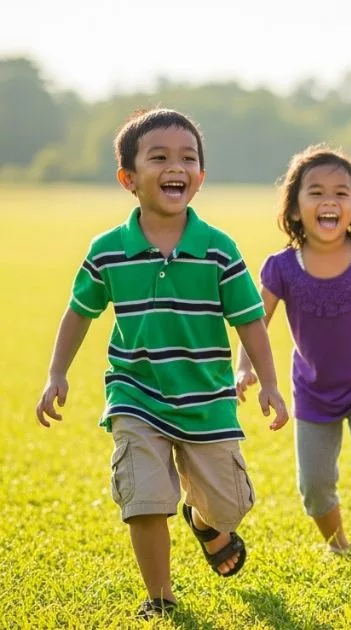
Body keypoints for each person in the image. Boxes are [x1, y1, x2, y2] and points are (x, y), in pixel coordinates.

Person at [34, 108, 288, 619]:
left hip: (206, 398)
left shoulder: (219, 250)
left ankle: (207, 521)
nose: (176, 166)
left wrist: (269, 383)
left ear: (200, 177)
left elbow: (250, 321)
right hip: (135, 393)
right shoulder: (108, 251)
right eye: (160, 157)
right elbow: (79, 312)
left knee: (230, 504)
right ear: (129, 178)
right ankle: (160, 597)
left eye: (188, 158)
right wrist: (56, 372)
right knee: (145, 499)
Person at [236, 145, 351, 556]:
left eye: (342, 192)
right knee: (314, 487)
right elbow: (255, 320)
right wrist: (244, 367)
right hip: (313, 389)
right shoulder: (281, 268)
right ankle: (339, 545)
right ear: (296, 209)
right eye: (316, 192)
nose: (329, 201)